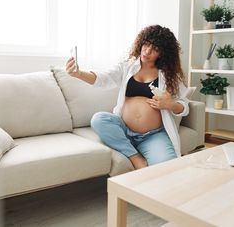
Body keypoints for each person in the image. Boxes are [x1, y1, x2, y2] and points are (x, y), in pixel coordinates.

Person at [66, 25, 189, 169]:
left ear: (163, 53)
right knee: (99, 119)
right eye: (146, 44)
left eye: (155, 49)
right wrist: (78, 74)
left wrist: (170, 104)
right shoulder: (127, 66)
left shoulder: (169, 75)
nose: (147, 51)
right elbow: (102, 79)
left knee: (167, 168)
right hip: (124, 129)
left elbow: (184, 105)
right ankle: (135, 157)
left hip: (153, 135)